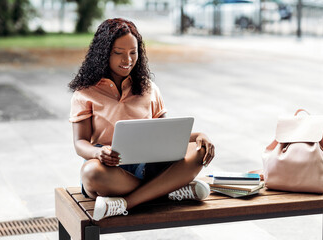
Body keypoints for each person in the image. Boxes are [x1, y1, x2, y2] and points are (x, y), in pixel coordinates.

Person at [68, 18, 215, 221]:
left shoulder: (149, 88)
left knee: (199, 151)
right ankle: (170, 189)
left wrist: (200, 135)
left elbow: (167, 136)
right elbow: (79, 143)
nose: (127, 59)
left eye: (133, 52)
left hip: (149, 166)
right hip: (109, 169)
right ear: (103, 54)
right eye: (118, 53)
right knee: (91, 172)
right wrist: (98, 152)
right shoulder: (85, 93)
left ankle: (127, 203)